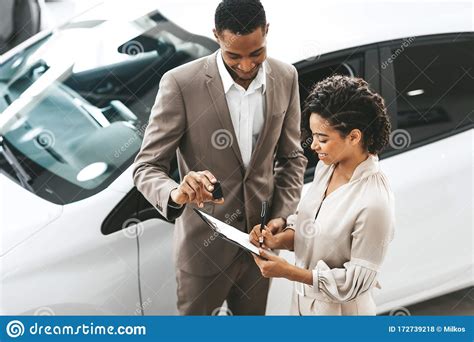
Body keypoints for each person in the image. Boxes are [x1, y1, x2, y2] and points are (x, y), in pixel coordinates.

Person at [133, 0, 307, 315]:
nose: (245, 66)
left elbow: (292, 158)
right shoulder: (180, 84)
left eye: (256, 53)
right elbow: (146, 167)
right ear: (216, 36)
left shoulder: (286, 77)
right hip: (203, 251)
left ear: (266, 32)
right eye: (233, 55)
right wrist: (176, 192)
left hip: (259, 249)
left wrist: (281, 217)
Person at [250, 75, 395, 315]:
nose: (313, 145)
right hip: (303, 307)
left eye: (322, 139)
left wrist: (288, 271)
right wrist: (279, 238)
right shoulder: (327, 167)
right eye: (314, 136)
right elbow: (311, 229)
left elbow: (354, 282)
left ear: (354, 137)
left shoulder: (374, 203)